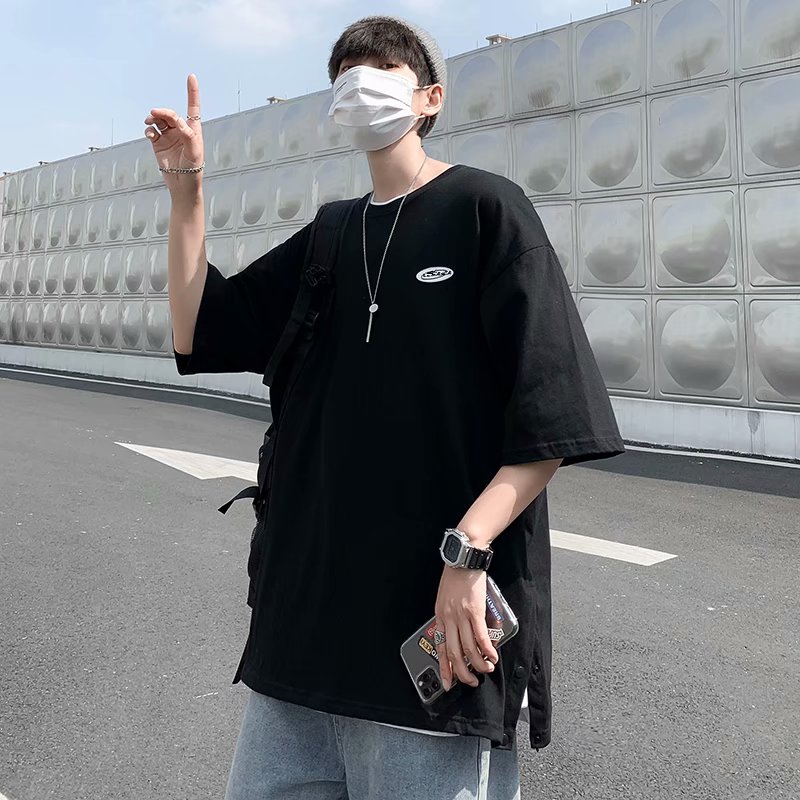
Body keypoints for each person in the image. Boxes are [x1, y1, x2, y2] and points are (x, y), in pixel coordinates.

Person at [144, 15, 625, 800]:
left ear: (430, 97)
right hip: (301, 645)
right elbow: (199, 327)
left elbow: (551, 415)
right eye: (345, 74)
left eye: (380, 69)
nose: (358, 85)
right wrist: (186, 192)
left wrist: (467, 554)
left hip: (433, 647)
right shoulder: (331, 235)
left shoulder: (485, 210)